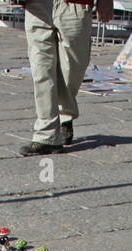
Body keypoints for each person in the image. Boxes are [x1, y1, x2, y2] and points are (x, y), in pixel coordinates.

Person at [17, 0, 113, 156]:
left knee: (73, 67)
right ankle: (46, 136)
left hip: (74, 4)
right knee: (41, 69)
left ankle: (64, 115)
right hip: (37, 5)